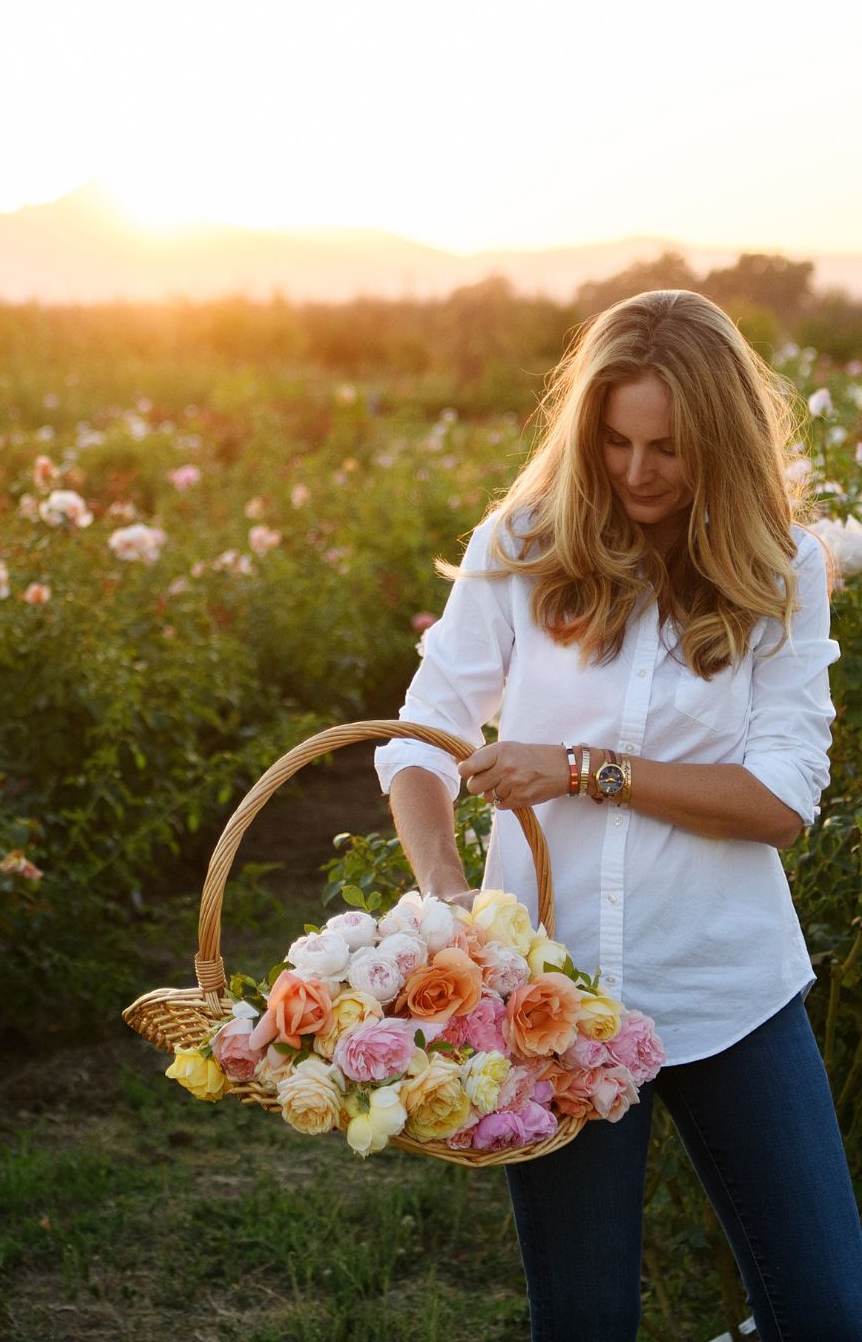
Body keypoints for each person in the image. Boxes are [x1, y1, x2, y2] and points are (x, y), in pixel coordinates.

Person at [372, 289, 862, 1341]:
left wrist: (585, 767)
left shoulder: (779, 572)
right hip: (553, 995)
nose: (637, 472)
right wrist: (446, 896)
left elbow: (781, 802)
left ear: (720, 445)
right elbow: (421, 733)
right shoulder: (518, 545)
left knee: (827, 1309)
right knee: (584, 1322)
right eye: (615, 440)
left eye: (669, 449)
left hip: (730, 988)